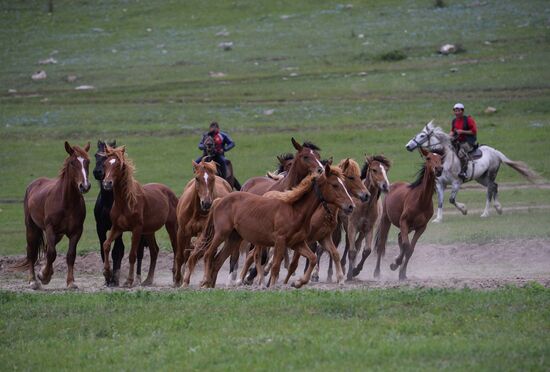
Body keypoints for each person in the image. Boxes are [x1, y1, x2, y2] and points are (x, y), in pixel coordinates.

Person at [449, 103, 477, 180]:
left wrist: (462, 131)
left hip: (468, 142)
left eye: (458, 111)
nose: (457, 113)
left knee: (461, 153)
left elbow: (474, 131)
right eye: (455, 111)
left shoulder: (468, 120)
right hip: (458, 141)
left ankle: (463, 171)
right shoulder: (454, 121)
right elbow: (452, 131)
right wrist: (447, 137)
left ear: (462, 111)